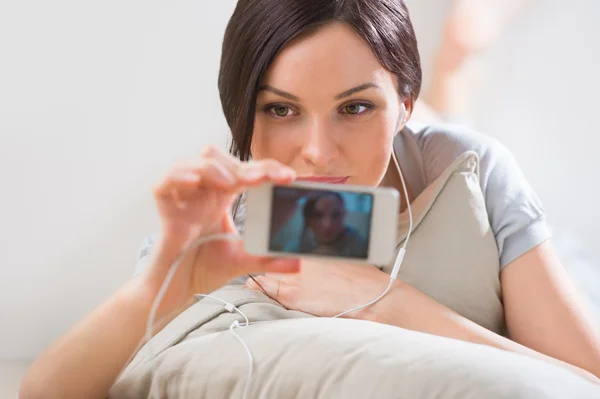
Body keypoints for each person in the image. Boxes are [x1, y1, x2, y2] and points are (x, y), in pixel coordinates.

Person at [20, 0, 600, 397]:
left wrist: (385, 301)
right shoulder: (228, 225)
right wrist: (160, 281)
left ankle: (457, 60)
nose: (318, 154)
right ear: (241, 113)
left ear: (402, 102)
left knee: (464, 132)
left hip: (435, 158)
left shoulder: (473, 168)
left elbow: (584, 381)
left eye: (355, 107)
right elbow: (43, 391)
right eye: (280, 109)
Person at [282, 192, 369, 258]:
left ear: (344, 215)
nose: (327, 224)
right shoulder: (292, 251)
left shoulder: (361, 246)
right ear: (308, 219)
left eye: (336, 215)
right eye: (318, 215)